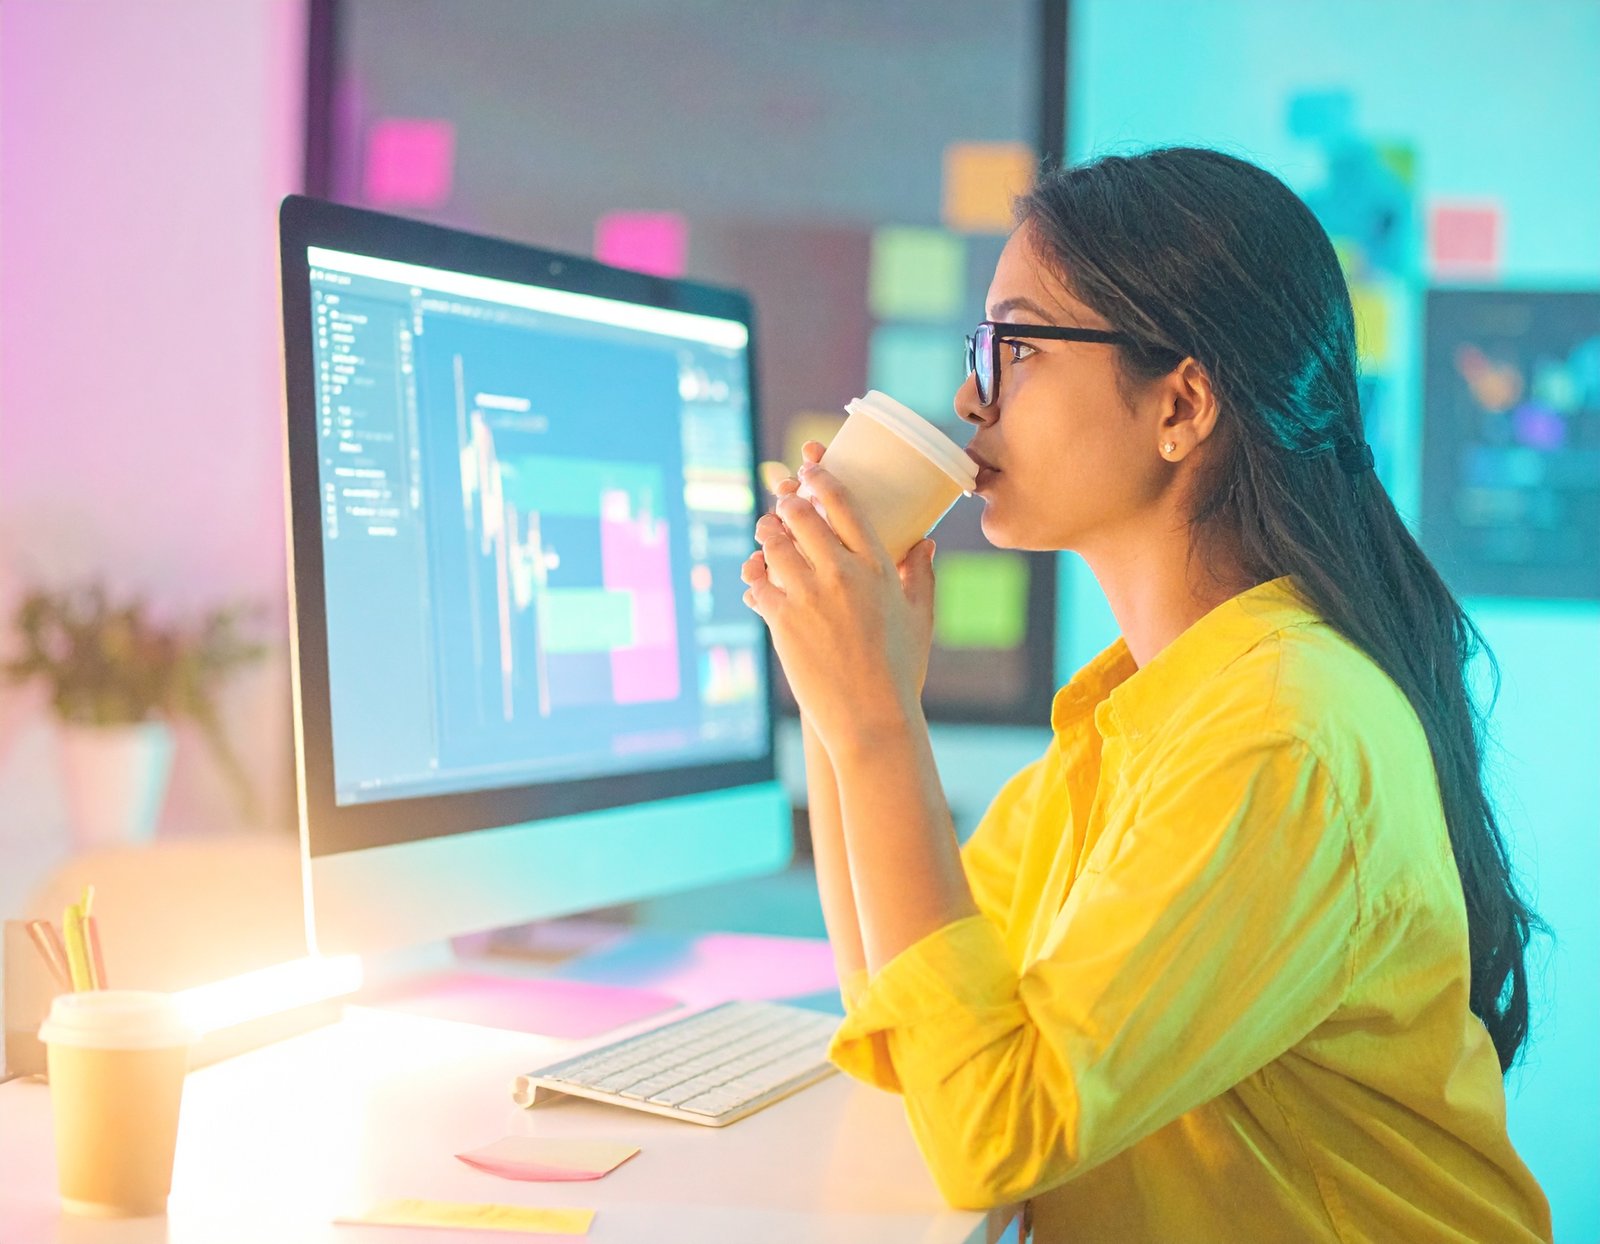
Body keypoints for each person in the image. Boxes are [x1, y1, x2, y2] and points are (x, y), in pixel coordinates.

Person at [740, 147, 1552, 1243]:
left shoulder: (1281, 735)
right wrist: (841, 699)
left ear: (1180, 403)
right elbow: (909, 1016)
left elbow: (995, 1128)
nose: (970, 397)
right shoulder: (1143, 715)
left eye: (1016, 346)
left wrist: (879, 722)